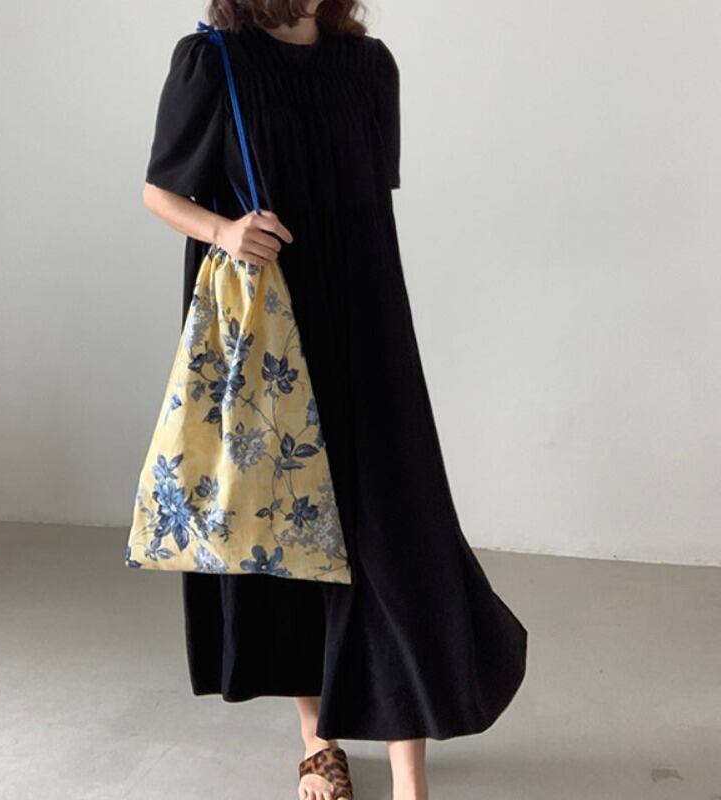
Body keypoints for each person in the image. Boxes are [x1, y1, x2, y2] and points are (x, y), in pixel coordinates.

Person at [141, 2, 528, 798]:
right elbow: (160, 191)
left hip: (369, 322)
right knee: (291, 535)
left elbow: (367, 203)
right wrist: (224, 231)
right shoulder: (212, 62)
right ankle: (319, 743)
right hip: (272, 331)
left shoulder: (369, 68)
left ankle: (410, 774)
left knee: (400, 538)